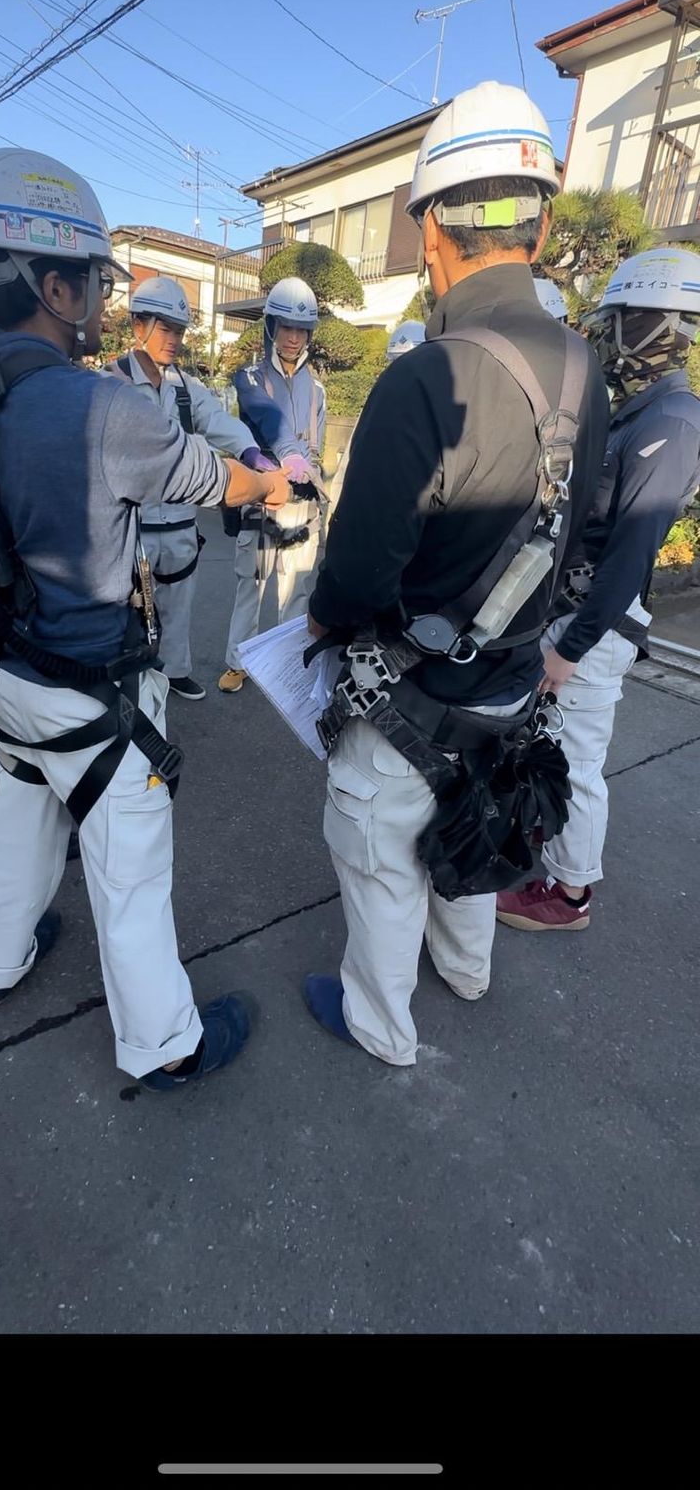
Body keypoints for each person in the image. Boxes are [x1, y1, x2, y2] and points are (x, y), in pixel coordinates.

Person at [0, 147, 290, 1092]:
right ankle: (165, 1043)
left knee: (14, 826)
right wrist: (272, 480)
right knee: (130, 877)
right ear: (53, 286)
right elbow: (218, 479)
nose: (103, 300)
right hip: (94, 693)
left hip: (10, 678)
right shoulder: (103, 406)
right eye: (94, 281)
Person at [300, 81, 609, 1066]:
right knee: (476, 822)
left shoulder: (423, 376)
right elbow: (581, 534)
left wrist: (321, 624)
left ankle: (380, 1025)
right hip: (511, 683)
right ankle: (467, 971)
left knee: (383, 862)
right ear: (542, 225)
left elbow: (355, 576)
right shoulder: (585, 368)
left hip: (412, 691)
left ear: (430, 228)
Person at [497, 245, 700, 932]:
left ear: (653, 324)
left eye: (616, 322)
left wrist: (570, 648)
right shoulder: (635, 411)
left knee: (577, 758)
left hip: (594, 622)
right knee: (548, 740)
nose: (605, 337)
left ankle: (570, 893)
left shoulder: (671, 423)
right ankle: (546, 844)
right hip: (571, 611)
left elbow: (631, 553)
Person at [107, 275, 274, 701]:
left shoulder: (186, 388)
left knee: (179, 605)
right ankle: (130, 681)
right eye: (165, 328)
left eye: (179, 331)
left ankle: (176, 672)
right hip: (133, 525)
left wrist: (251, 453)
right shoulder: (112, 383)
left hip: (181, 521)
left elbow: (218, 422)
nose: (173, 340)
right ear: (138, 325)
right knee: (129, 612)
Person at [218, 277, 326, 693]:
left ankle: (285, 666)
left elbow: (315, 445)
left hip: (301, 501)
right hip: (261, 498)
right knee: (251, 585)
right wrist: (283, 457)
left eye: (302, 329)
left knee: (295, 591)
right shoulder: (249, 377)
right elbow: (264, 415)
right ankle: (238, 662)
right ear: (271, 327)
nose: (293, 338)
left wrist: (308, 469)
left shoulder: (317, 389)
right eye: (286, 327)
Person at [328, 320, 426, 518]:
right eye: (396, 363)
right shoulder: (374, 409)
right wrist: (336, 515)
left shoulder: (435, 416)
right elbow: (347, 469)